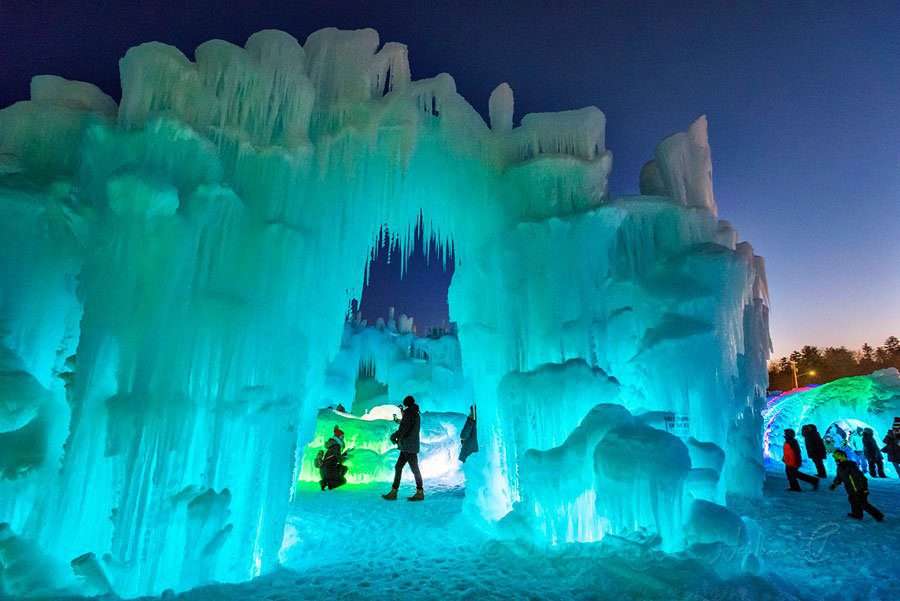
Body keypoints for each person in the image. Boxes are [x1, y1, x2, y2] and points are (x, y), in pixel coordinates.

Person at [382, 395, 424, 501]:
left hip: (407, 446)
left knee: (414, 469)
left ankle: (419, 492)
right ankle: (394, 491)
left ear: (406, 403)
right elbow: (405, 425)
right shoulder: (415, 413)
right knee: (399, 467)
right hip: (409, 446)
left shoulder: (409, 413)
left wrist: (395, 436)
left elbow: (404, 428)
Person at [829, 450, 884, 522]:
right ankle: (857, 514)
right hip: (852, 489)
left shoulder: (850, 466)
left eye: (837, 458)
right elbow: (839, 478)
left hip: (859, 488)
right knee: (853, 500)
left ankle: (878, 515)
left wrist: (859, 489)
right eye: (835, 459)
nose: (836, 460)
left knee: (862, 503)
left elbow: (857, 478)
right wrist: (834, 484)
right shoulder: (840, 467)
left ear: (842, 457)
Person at [317, 426, 348, 490]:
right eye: (342, 437)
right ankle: (329, 484)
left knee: (342, 468)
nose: (343, 438)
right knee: (343, 479)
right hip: (329, 470)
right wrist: (347, 456)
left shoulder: (331, 446)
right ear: (338, 437)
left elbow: (334, 457)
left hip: (323, 471)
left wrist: (344, 454)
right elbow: (340, 460)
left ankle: (325, 482)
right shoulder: (336, 446)